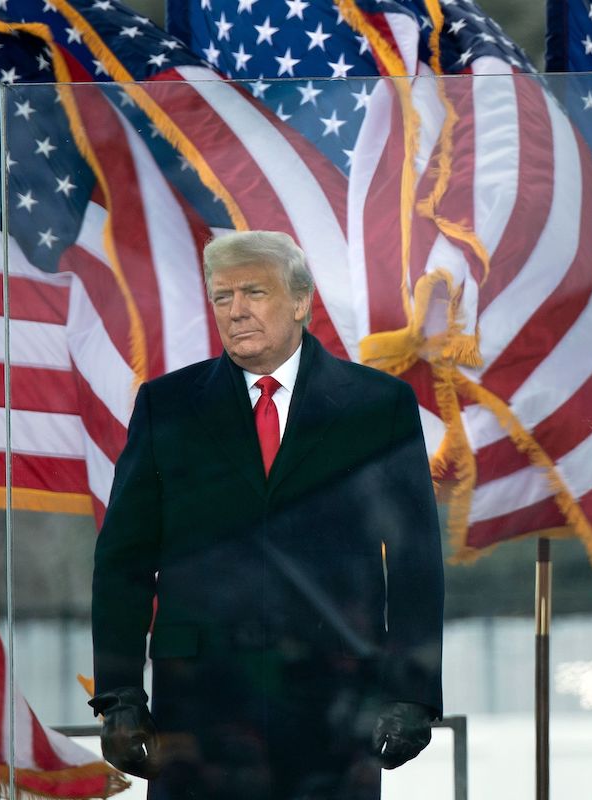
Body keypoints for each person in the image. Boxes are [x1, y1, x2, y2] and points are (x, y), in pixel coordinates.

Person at [90, 231, 444, 800]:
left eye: (254, 292)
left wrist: (411, 693)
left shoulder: (378, 407)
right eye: (222, 297)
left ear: (301, 302)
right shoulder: (167, 406)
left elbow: (415, 562)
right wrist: (120, 696)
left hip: (334, 704)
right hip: (198, 710)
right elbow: (123, 561)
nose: (236, 311)